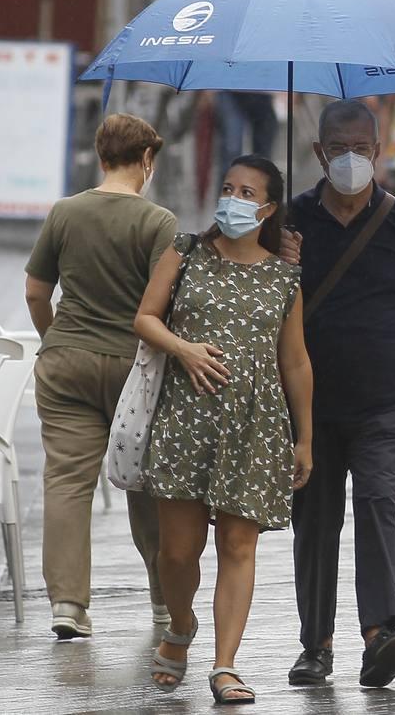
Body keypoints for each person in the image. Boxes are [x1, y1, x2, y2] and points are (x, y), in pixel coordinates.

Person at [284, 100, 395, 690]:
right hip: (310, 404)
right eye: (340, 150)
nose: (352, 160)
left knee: (379, 504)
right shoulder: (291, 223)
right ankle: (316, 644)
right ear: (319, 154)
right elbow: (253, 301)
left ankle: (380, 633)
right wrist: (276, 267)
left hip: (386, 398)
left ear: (379, 152)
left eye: (363, 149)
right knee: (315, 519)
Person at [135, 155, 312, 704]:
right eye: (228, 187)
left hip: (255, 428)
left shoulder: (284, 277)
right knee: (178, 553)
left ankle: (224, 664)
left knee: (239, 545)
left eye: (247, 192)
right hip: (186, 419)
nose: (234, 198)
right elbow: (145, 317)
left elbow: (297, 362)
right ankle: (181, 625)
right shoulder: (185, 252)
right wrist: (182, 348)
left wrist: (304, 437)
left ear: (268, 209)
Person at [24, 113, 174, 640]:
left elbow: (36, 293)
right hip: (134, 370)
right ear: (147, 160)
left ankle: (68, 603)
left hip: (67, 362)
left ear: (100, 155)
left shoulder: (65, 212)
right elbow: (165, 306)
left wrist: (54, 339)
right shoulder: (159, 223)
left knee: (66, 480)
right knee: (146, 482)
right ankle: (165, 602)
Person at [209, 0, 278, 175]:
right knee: (230, 148)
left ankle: (261, 205)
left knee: (263, 156)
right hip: (231, 87)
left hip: (264, 87)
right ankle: (226, 204)